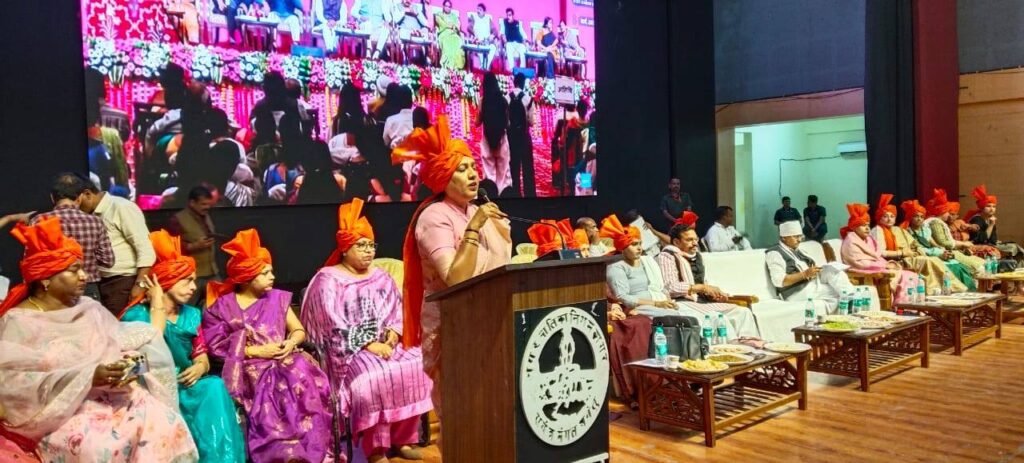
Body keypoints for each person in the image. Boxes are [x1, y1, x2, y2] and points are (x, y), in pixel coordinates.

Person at [0, 218, 198, 462]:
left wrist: (128, 369)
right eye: (74, 270)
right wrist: (88, 377)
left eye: (82, 268)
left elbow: (126, 347)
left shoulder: (89, 309)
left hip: (115, 397)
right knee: (101, 446)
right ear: (45, 279)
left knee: (164, 423)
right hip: (60, 414)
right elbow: (14, 385)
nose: (84, 276)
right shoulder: (20, 321)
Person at [392, 115, 512, 416]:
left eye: (473, 167)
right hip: (454, 326)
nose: (473, 175)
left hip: (489, 318)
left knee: (492, 408)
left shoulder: (474, 210)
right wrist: (475, 227)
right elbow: (455, 279)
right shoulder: (434, 216)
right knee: (462, 411)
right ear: (444, 177)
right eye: (462, 169)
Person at [301, 199, 432, 463]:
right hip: (349, 353)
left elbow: (397, 310)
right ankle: (376, 449)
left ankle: (404, 440)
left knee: (418, 364)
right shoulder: (327, 280)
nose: (368, 251)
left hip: (387, 344)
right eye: (361, 246)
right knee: (375, 377)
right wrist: (368, 344)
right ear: (345, 248)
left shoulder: (381, 276)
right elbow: (332, 326)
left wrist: (394, 333)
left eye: (371, 245)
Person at [202, 229, 334, 462]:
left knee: (299, 375)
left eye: (271, 271)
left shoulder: (277, 298)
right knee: (271, 386)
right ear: (247, 276)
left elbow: (299, 331)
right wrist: (256, 351)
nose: (272, 276)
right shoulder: (221, 308)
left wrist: (290, 342)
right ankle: (281, 453)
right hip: (248, 366)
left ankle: (308, 450)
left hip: (284, 358)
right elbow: (216, 346)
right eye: (265, 273)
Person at [121, 230, 246, 463]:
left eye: (194, 280)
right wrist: (161, 376)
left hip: (186, 384)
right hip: (150, 387)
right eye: (187, 280)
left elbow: (201, 354)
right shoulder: (135, 316)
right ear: (167, 281)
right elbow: (132, 366)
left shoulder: (192, 314)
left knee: (213, 386)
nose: (193, 287)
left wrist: (200, 367)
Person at [655, 213, 760, 338]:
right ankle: (729, 347)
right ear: (676, 242)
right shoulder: (668, 256)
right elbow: (670, 287)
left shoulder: (697, 256)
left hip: (701, 301)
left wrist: (714, 294)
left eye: (696, 239)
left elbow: (702, 282)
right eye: (689, 240)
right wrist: (702, 288)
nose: (695, 243)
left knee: (743, 313)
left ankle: (751, 344)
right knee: (718, 318)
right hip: (681, 303)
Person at [30, 173, 114, 301]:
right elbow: (108, 261)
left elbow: (31, 262)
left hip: (52, 289)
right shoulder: (95, 221)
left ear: (52, 197)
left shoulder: (39, 221)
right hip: (86, 288)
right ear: (79, 197)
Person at [78, 180, 155, 314]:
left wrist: (140, 285)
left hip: (124, 282)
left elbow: (145, 249)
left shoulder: (121, 207)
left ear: (88, 194)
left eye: (77, 201)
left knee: (120, 325)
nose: (76, 206)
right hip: (102, 283)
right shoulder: (89, 215)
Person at [871, 194, 969, 293]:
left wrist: (919, 251)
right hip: (894, 261)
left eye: (892, 216)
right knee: (927, 261)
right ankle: (938, 290)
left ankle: (951, 287)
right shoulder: (878, 230)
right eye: (885, 216)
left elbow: (915, 244)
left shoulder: (898, 229)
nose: (889, 219)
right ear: (879, 217)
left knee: (933, 259)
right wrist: (902, 253)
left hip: (909, 257)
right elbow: (881, 253)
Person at [766, 221, 862, 314]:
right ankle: (851, 310)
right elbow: (779, 281)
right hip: (796, 292)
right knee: (838, 292)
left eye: (800, 236)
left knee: (833, 270)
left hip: (810, 282)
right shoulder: (775, 254)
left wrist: (816, 270)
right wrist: (805, 274)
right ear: (784, 238)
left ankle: (851, 301)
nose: (799, 240)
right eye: (795, 236)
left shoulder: (797, 250)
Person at [839, 203, 917, 304]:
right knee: (900, 274)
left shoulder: (868, 239)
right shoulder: (851, 241)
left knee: (910, 275)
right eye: (863, 225)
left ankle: (907, 305)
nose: (867, 228)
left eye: (868, 225)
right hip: (864, 270)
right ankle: (900, 305)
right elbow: (859, 262)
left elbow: (877, 256)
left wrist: (887, 264)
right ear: (854, 227)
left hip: (876, 267)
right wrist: (885, 265)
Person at [904, 199, 977, 291]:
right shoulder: (907, 231)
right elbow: (917, 248)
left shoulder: (925, 229)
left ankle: (967, 291)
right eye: (916, 216)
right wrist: (938, 254)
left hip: (932, 251)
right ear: (910, 217)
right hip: (921, 254)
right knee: (947, 266)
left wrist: (943, 251)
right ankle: (952, 290)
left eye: (922, 217)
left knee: (956, 265)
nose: (919, 219)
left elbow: (934, 243)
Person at [168, 186, 220, 307]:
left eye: (209, 204)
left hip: (212, 272)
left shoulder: (206, 216)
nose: (207, 207)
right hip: (191, 275)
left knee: (218, 307)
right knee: (187, 308)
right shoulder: (178, 219)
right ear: (192, 203)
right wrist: (194, 246)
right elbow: (171, 247)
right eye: (203, 204)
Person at [924, 189, 985, 274]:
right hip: (943, 252)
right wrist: (962, 244)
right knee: (979, 268)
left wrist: (963, 246)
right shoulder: (935, 223)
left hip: (952, 249)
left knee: (982, 262)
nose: (949, 216)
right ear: (942, 212)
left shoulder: (939, 222)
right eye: (948, 213)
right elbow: (943, 242)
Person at [966, 184, 1023, 261]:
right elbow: (981, 240)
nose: (992, 209)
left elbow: (993, 239)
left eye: (994, 206)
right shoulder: (977, 219)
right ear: (982, 207)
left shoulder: (989, 218)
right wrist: (991, 225)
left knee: (1015, 247)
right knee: (1013, 248)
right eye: (988, 206)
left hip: (991, 244)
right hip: (979, 246)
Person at [477, 72, 512, 193]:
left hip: (487, 140)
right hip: (501, 139)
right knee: (503, 176)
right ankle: (504, 198)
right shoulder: (503, 101)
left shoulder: (483, 101)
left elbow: (477, 122)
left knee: (489, 175)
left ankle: (490, 197)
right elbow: (508, 123)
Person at [508, 73, 536, 197]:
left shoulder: (506, 98)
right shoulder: (528, 99)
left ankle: (514, 194)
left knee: (513, 167)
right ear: (523, 84)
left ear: (514, 82)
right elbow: (531, 122)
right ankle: (529, 195)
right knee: (527, 168)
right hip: (524, 137)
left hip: (511, 138)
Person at [465, 3, 497, 69]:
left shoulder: (488, 19)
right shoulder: (474, 17)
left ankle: (486, 66)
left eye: (480, 10)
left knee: (493, 48)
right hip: (477, 41)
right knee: (480, 48)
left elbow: (495, 30)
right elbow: (469, 27)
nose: (478, 11)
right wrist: (474, 34)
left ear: (484, 12)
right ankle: (483, 65)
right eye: (477, 9)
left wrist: (492, 35)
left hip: (487, 41)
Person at [435, 0, 465, 69]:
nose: (447, 8)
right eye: (446, 6)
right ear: (443, 6)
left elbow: (458, 25)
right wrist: (450, 25)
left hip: (453, 34)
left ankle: (456, 66)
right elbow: (441, 24)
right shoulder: (439, 15)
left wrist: (454, 26)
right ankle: (447, 65)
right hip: (444, 34)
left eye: (449, 7)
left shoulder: (454, 16)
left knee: (458, 42)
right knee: (447, 43)